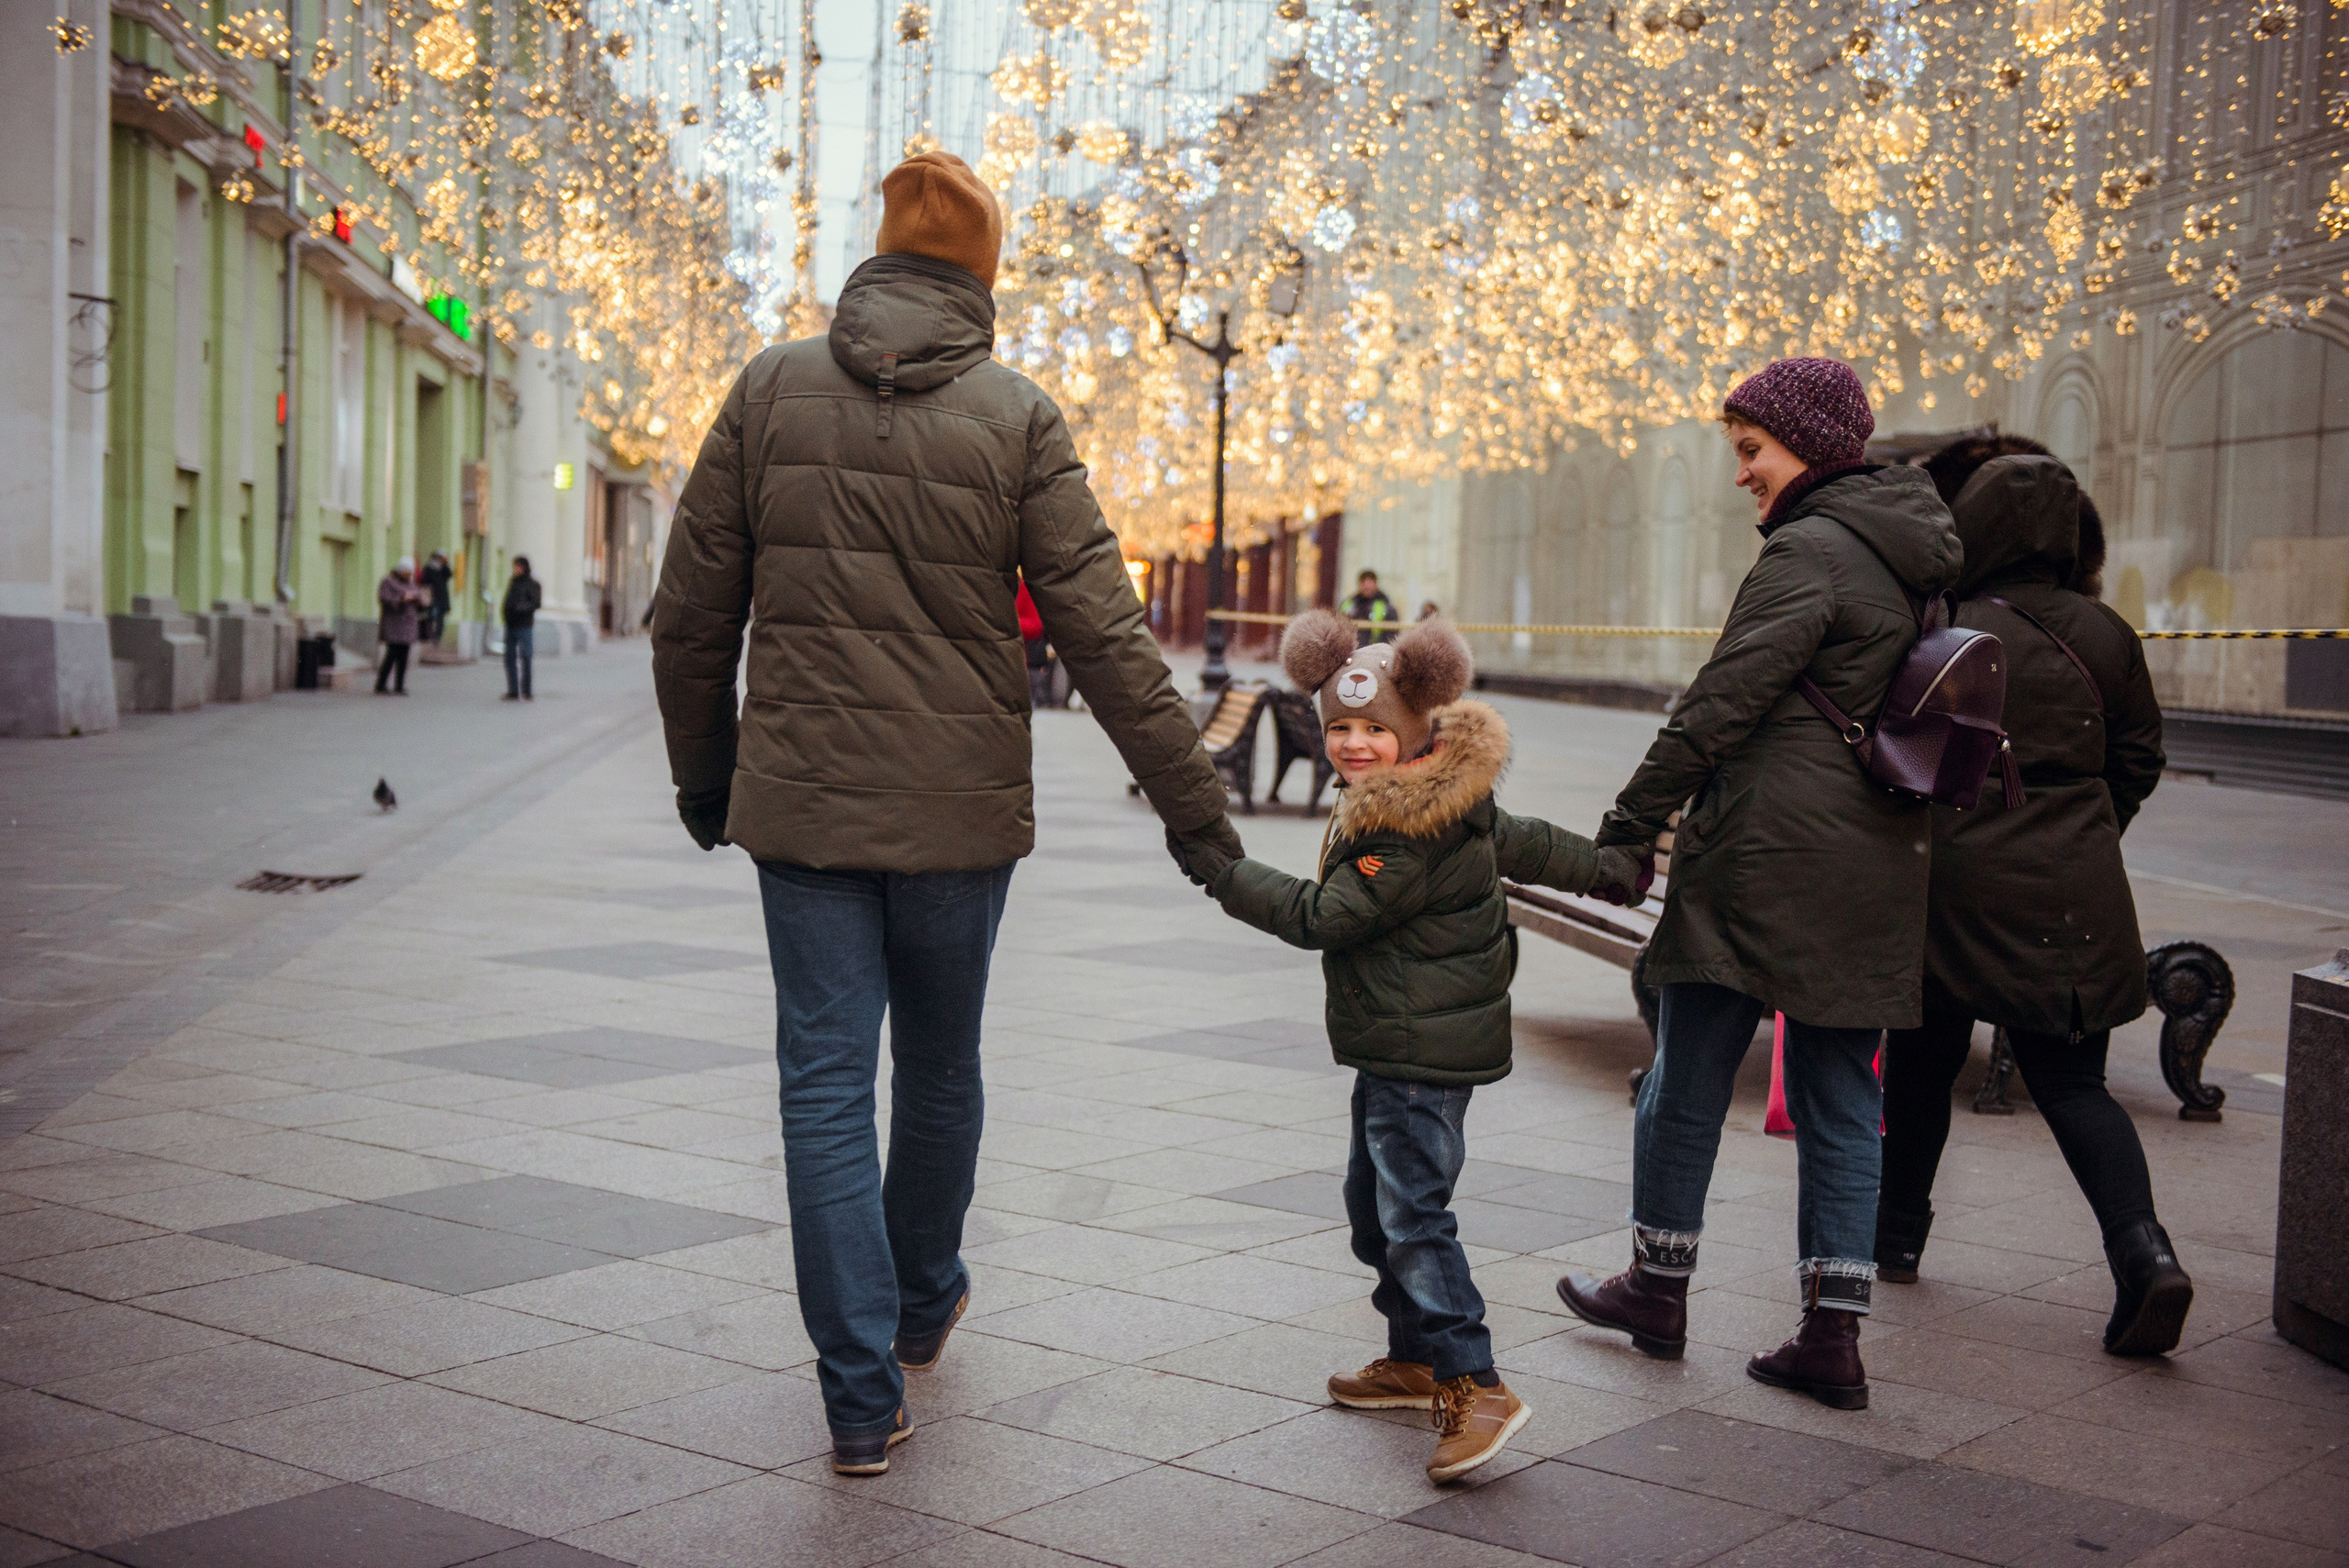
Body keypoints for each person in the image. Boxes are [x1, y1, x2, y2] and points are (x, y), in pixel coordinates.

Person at [649, 150, 1237, 1477]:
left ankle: (860, 1400)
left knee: (820, 1084)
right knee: (944, 1066)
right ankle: (920, 1304)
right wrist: (1196, 811)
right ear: (981, 275)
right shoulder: (1018, 416)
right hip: (959, 821)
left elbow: (691, 614)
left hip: (799, 812)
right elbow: (1104, 629)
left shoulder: (767, 389)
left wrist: (707, 772)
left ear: (878, 255)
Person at [1560, 357, 1962, 1412]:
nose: (1741, 474)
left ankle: (1656, 1285)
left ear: (1812, 449)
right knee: (1841, 1101)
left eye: (1752, 451)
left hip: (1759, 861)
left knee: (1682, 1080)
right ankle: (1833, 1335)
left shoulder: (1809, 552)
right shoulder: (1911, 560)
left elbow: (1716, 705)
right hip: (1871, 861)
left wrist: (1629, 822)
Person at [1186, 610, 1649, 1483]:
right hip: (1400, 1039)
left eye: (1374, 729)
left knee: (1412, 1218)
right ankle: (1412, 1357)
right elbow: (1531, 842)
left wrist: (1223, 871)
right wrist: (1610, 869)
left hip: (1418, 1048)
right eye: (1340, 728)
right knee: (1375, 1204)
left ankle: (1473, 1385)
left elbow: (1325, 918)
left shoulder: (1403, 830)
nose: (1355, 745)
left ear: (1417, 730)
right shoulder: (1447, 792)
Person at [1876, 448, 2188, 1354]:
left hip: (1952, 885)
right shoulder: (2106, 634)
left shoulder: (1944, 626)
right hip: (2075, 888)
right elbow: (2138, 760)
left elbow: (1902, 756)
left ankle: (1894, 1237)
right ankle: (2145, 1251)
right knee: (2075, 1082)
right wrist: (2088, 828)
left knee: (1921, 1065)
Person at [374, 557, 425, 695]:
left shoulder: (411, 582)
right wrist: (402, 599)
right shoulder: (388, 581)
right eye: (407, 572)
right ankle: (381, 684)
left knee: (404, 657)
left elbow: (418, 600)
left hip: (408, 625)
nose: (409, 575)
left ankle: (399, 686)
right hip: (394, 624)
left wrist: (418, 599)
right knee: (391, 655)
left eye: (411, 573)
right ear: (400, 571)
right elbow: (384, 599)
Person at [502, 556, 540, 701]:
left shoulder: (532, 584)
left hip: (524, 626)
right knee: (509, 658)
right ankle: (513, 690)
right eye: (514, 566)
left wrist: (519, 609)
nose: (515, 569)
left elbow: (535, 603)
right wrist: (506, 614)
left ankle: (527, 690)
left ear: (524, 567)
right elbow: (508, 600)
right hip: (511, 626)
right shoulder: (513, 582)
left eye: (517, 566)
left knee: (526, 657)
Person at [1341, 569, 1399, 645]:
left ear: (1376, 584)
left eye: (1370, 583)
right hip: (1353, 650)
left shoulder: (1386, 607)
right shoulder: (1349, 604)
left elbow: (1391, 634)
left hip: (1376, 650)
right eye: (1364, 583)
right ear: (1359, 584)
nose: (1367, 587)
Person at [419, 550, 454, 648]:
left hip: (441, 598)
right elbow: (425, 580)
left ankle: (437, 637)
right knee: (431, 616)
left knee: (440, 619)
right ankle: (429, 635)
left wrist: (445, 564)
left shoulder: (443, 569)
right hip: (431, 597)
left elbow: (449, 575)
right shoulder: (428, 568)